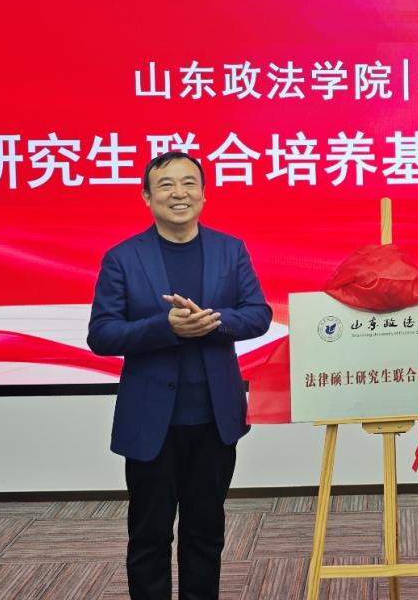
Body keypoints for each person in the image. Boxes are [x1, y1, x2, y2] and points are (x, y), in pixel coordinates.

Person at [87, 151, 272, 600]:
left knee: (205, 532)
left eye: (189, 183)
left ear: (204, 195)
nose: (179, 193)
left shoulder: (231, 250)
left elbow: (258, 315)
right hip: (151, 421)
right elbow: (102, 334)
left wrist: (213, 321)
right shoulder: (123, 258)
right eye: (166, 184)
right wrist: (164, 327)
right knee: (149, 536)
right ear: (147, 197)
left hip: (214, 418)